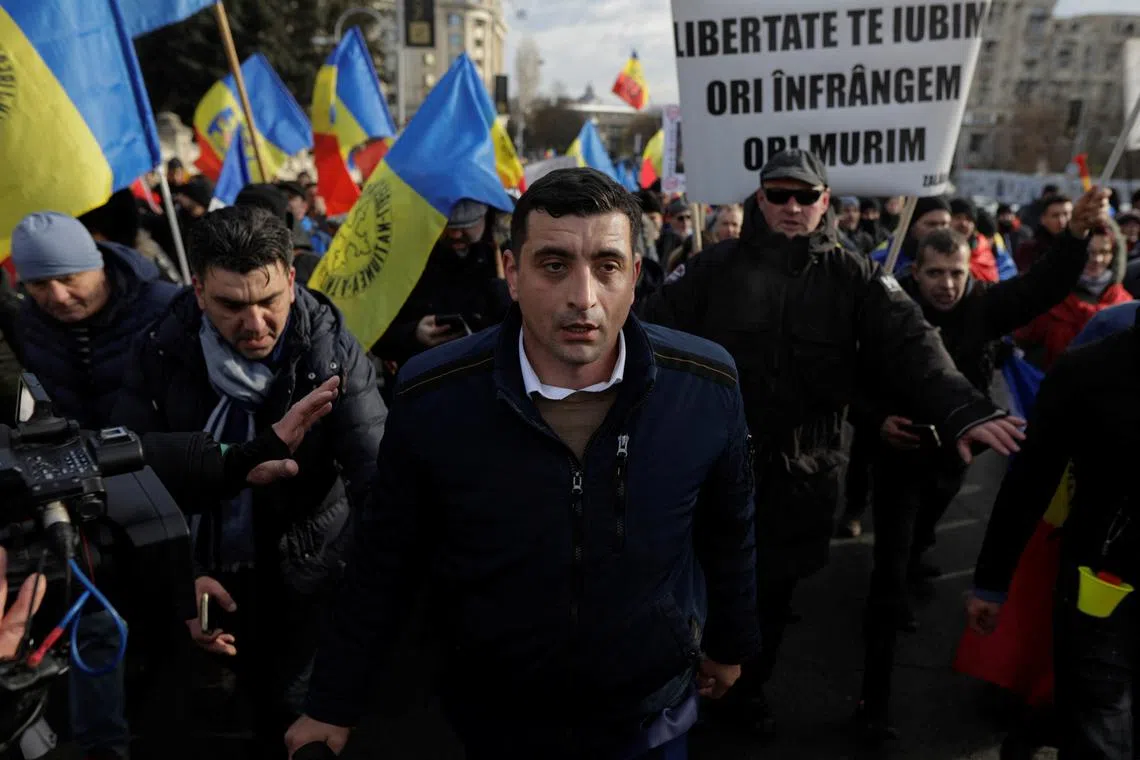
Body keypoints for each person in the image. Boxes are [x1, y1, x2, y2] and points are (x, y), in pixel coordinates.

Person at [286, 168, 760, 759]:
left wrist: (731, 641)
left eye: (607, 266)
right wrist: (333, 702)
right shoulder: (434, 395)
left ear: (636, 277)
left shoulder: (705, 385)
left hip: (649, 714)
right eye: (554, 264)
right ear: (511, 272)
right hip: (494, 715)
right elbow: (386, 557)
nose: (582, 297)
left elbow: (729, 529)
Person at [640, 148, 1024, 736]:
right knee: (700, 586)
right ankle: (688, 691)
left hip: (803, 470)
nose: (792, 207)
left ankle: (746, 692)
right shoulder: (713, 268)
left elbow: (913, 343)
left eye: (805, 196)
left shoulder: (857, 277)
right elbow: (647, 336)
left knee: (773, 593)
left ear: (825, 202)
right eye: (779, 194)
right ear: (760, 198)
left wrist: (963, 407)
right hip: (714, 463)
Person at [113, 204, 387, 759]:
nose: (255, 324)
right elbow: (134, 473)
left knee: (291, 711)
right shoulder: (160, 351)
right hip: (204, 568)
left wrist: (359, 592)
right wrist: (180, 575)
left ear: (291, 278)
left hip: (307, 569)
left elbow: (377, 479)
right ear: (197, 291)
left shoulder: (333, 353)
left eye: (269, 301)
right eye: (232, 306)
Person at [856, 187, 1106, 737]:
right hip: (899, 458)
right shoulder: (892, 312)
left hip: (955, 458)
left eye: (956, 273)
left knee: (922, 533)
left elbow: (1043, 288)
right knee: (888, 574)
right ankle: (873, 702)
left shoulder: (984, 306)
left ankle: (917, 554)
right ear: (914, 274)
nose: (947, 285)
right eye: (935, 273)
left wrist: (1075, 237)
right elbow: (856, 381)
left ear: (971, 271)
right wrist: (877, 421)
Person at [969, 308, 1140, 759]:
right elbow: (1030, 480)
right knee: (1101, 735)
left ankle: (1039, 727)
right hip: (1103, 588)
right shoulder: (1089, 370)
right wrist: (991, 580)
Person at [8, 211, 181, 430]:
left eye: (68, 279)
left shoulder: (167, 309)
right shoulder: (31, 323)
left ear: (99, 267)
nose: (59, 297)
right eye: (39, 285)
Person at [372, 199, 512, 367]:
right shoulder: (405, 257)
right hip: (426, 376)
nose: (455, 234)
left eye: (467, 224)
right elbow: (376, 335)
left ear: (487, 216)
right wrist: (414, 333)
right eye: (446, 224)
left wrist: (508, 301)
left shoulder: (511, 255)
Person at [1014, 220, 1133, 369]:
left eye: (1104, 252)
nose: (1097, 260)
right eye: (1089, 252)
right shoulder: (1049, 299)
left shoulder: (1124, 302)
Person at [870, 196, 953, 275]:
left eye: (944, 224)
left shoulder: (957, 262)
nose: (939, 230)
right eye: (931, 224)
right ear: (911, 226)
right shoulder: (880, 262)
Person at [1014, 194, 1072, 273]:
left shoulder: (1085, 246)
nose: (1062, 221)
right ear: (1043, 219)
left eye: (1066, 214)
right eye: (1055, 216)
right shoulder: (1029, 250)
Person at [949, 197, 999, 282]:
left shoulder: (983, 252)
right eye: (958, 217)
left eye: (968, 219)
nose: (963, 223)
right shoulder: (933, 248)